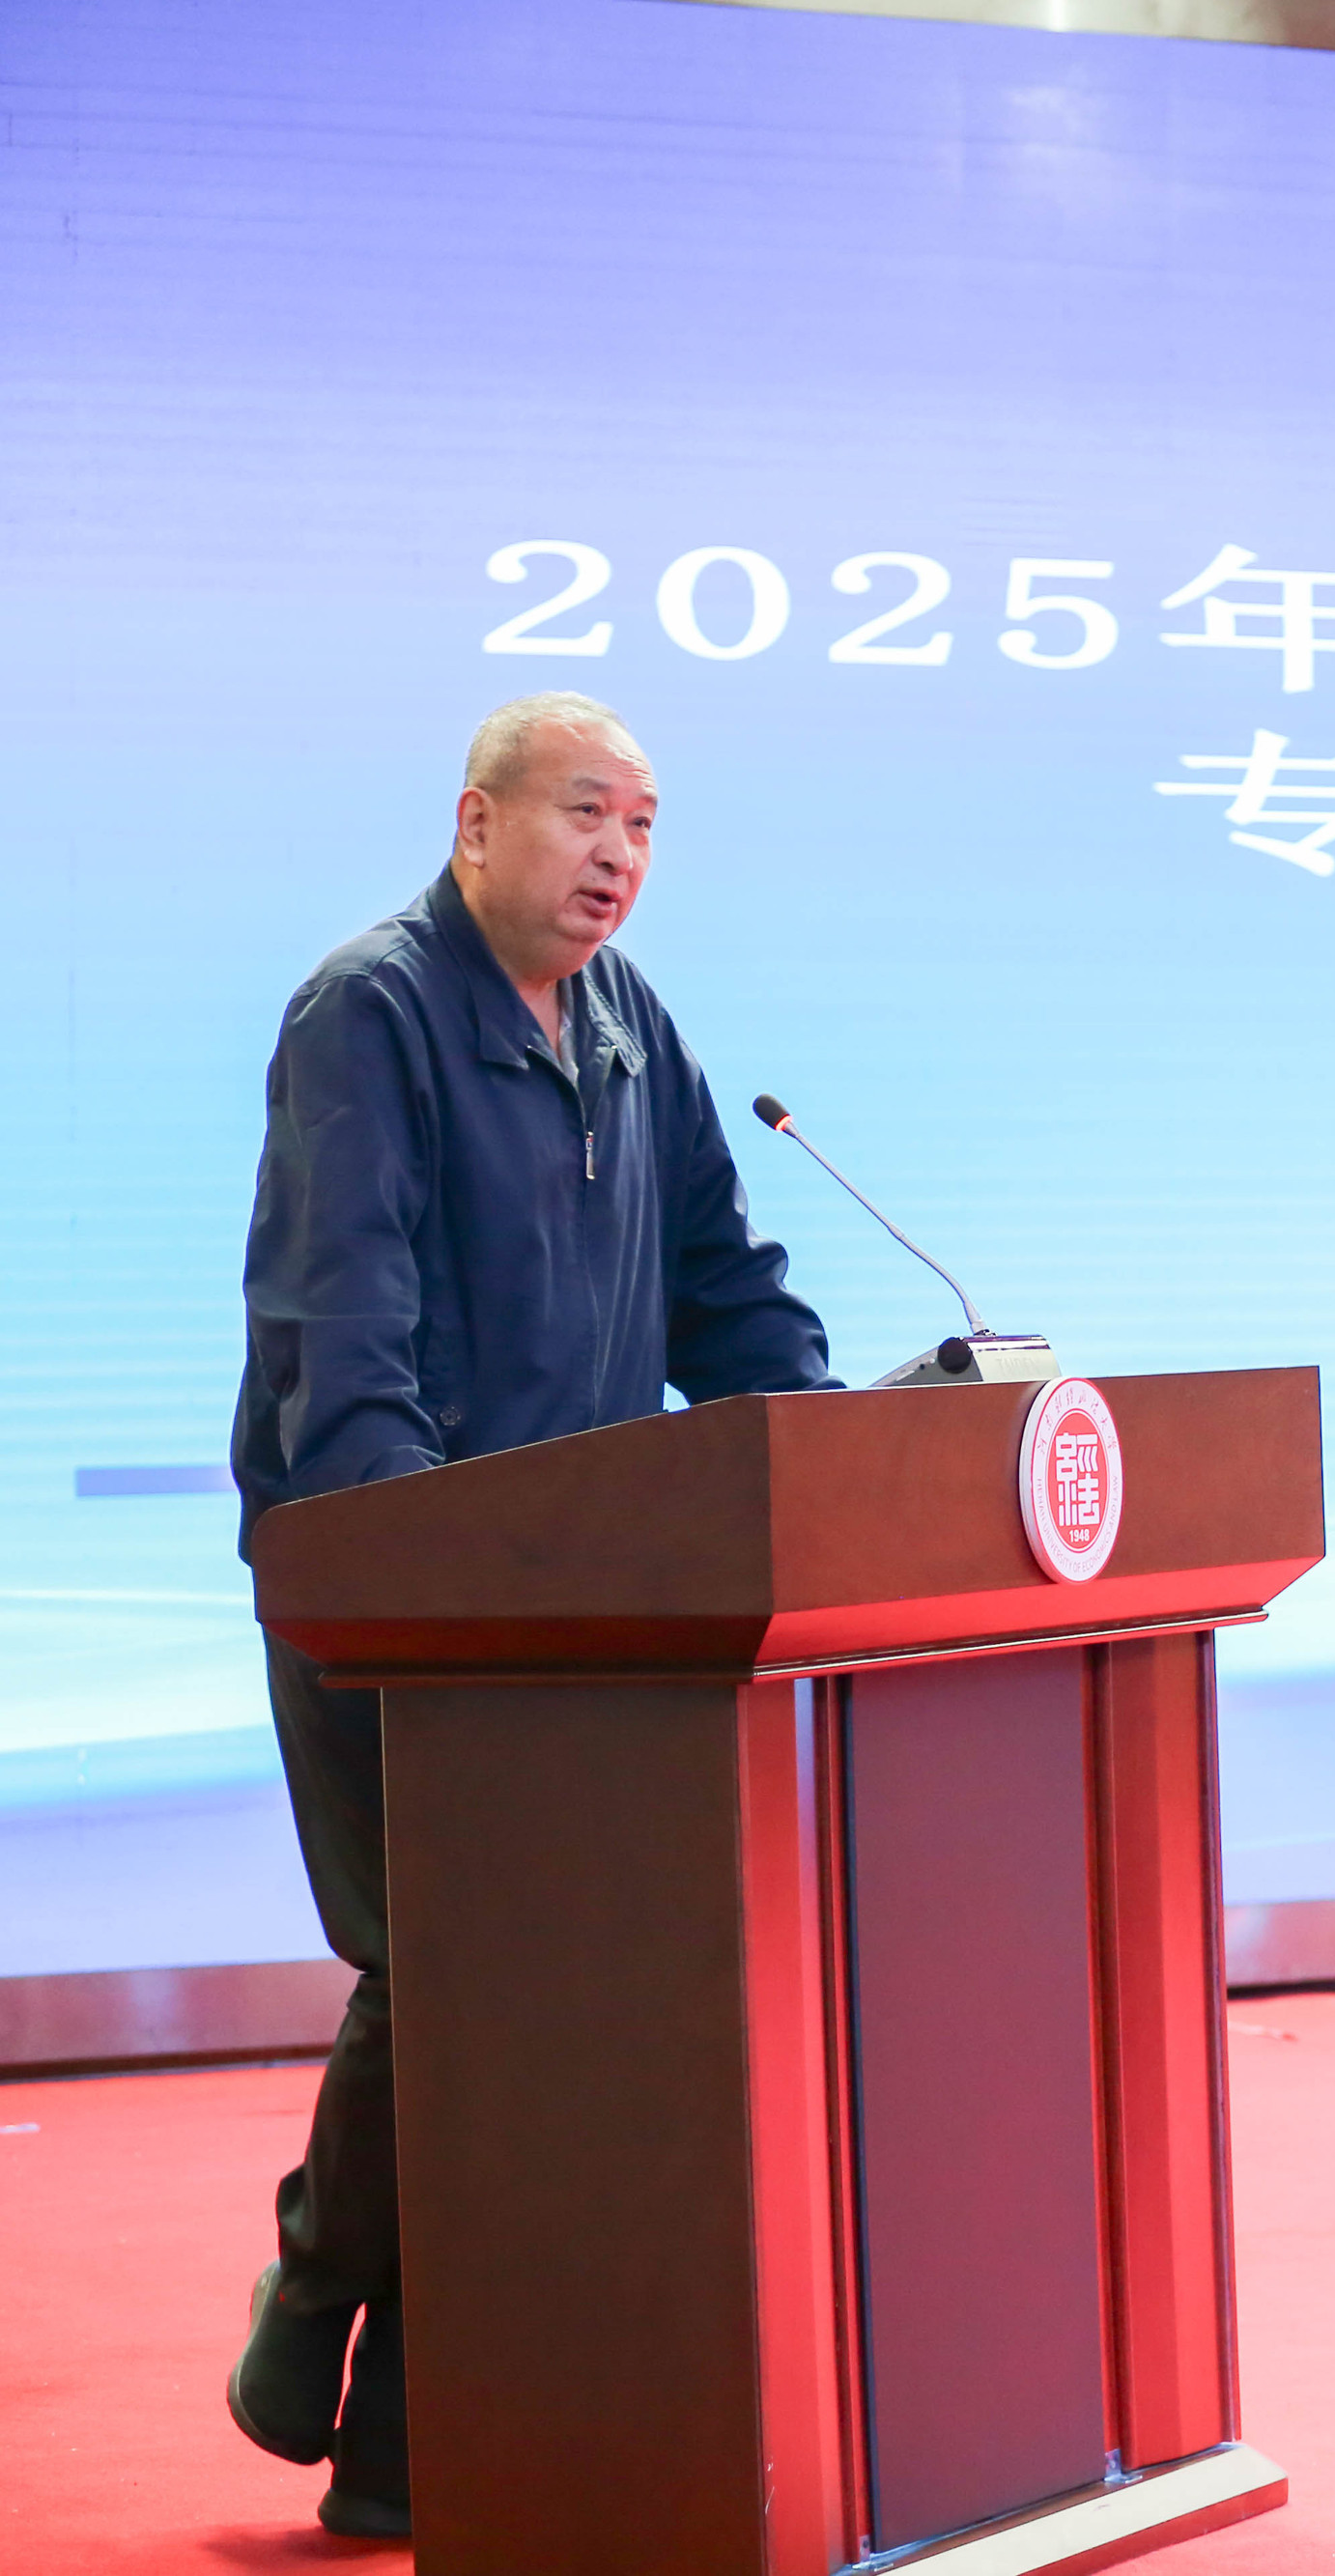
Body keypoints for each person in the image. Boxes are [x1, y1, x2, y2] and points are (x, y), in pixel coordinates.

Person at [222, 693, 835, 2538]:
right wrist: (436, 1575)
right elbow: (346, 1329)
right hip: (394, 1595)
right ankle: (314, 2297)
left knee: (531, 2009)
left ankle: (403, 2443)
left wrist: (831, 1460)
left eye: (643, 825)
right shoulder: (371, 1012)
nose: (617, 856)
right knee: (445, 1973)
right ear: (476, 823)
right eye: (584, 814)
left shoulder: (635, 1025)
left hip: (590, 1613)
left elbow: (726, 1285)